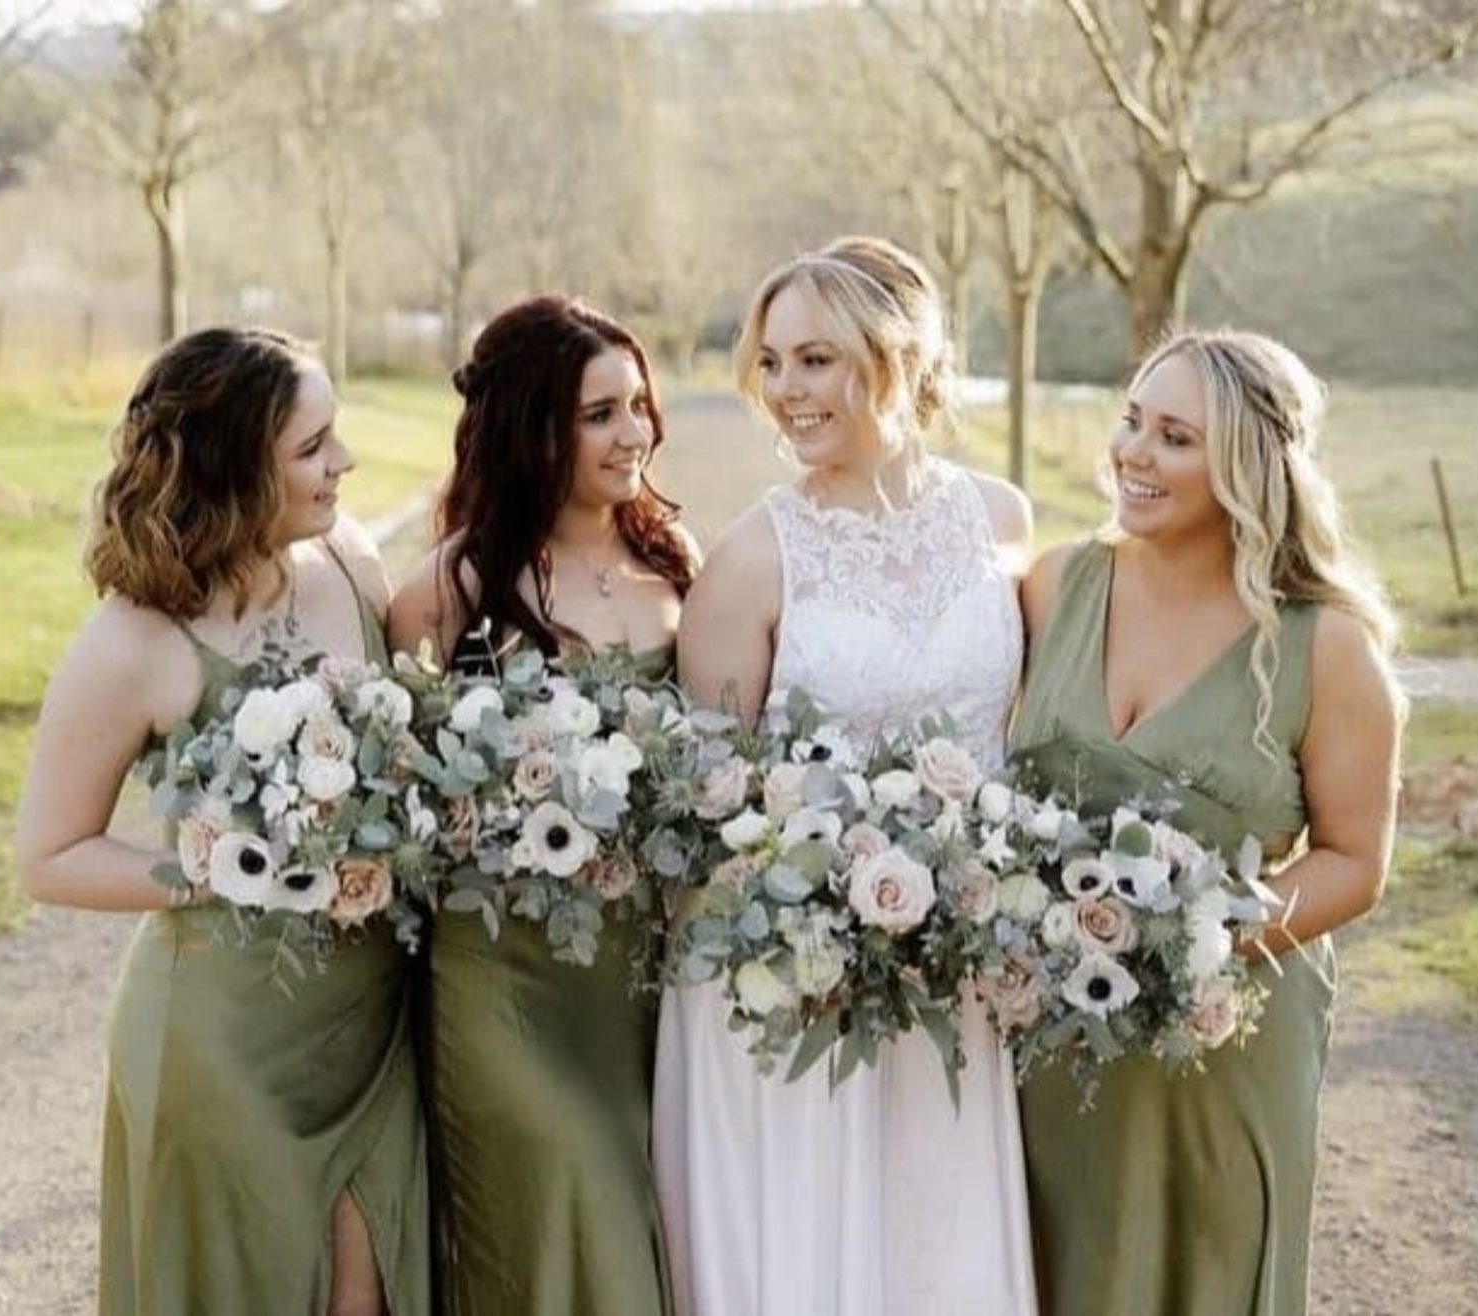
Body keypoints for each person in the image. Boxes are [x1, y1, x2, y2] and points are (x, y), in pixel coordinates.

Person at [653, 237, 1039, 1316]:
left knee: (933, 1246)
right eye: (769, 363)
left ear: (898, 353)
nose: (784, 392)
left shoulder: (1000, 520)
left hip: (954, 977)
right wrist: (827, 909)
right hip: (797, 990)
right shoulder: (749, 560)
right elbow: (708, 814)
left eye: (814, 359)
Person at [14, 327, 427, 1316]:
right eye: (312, 445)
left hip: (375, 1027)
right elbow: (48, 856)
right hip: (221, 1043)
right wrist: (222, 866)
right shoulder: (132, 640)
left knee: (368, 1291)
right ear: (239, 464)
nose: (344, 462)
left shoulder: (349, 557)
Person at [1010, 329, 1401, 1315]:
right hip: (1047, 1042)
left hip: (1216, 1042)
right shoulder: (1054, 585)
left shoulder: (1325, 646)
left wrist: (1192, 940)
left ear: (1246, 469)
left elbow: (1354, 859)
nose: (1132, 453)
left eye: (1174, 436)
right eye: (1132, 419)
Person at [387, 295, 698, 1316]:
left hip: (641, 979)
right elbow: (400, 795)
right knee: (564, 1206)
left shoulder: (679, 570)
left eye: (637, 405)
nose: (635, 433)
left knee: (644, 1218)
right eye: (599, 413)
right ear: (533, 428)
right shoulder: (451, 589)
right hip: (501, 979)